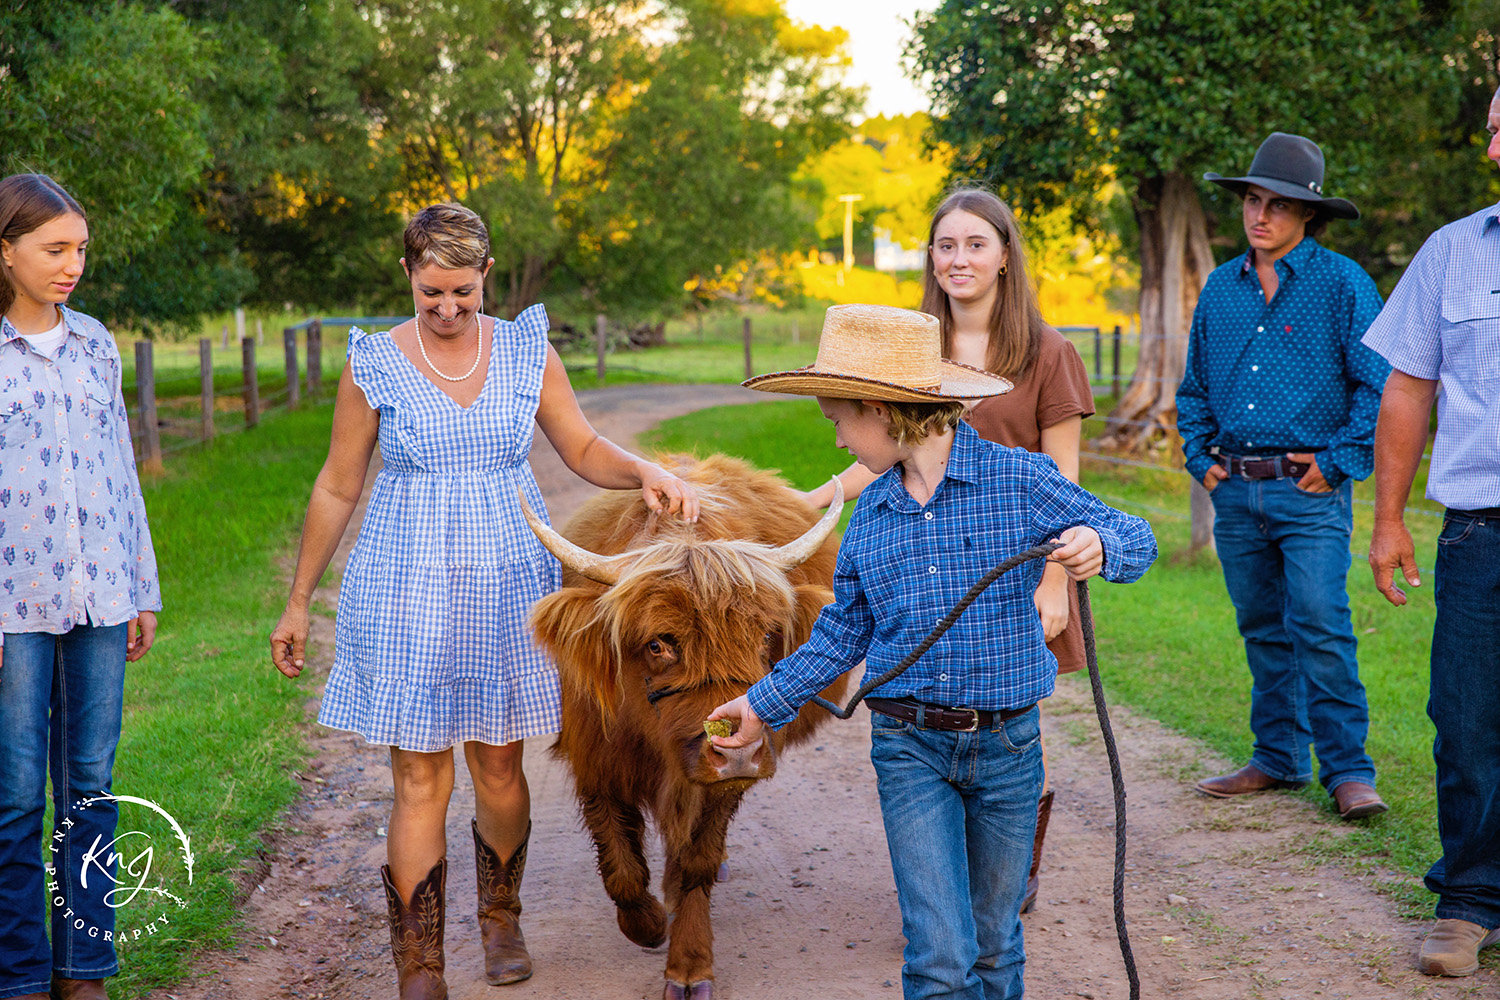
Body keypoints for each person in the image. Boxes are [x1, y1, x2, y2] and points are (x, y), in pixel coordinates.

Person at [268, 203, 698, 998]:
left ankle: (500, 915)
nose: (446, 309)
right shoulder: (373, 363)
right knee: (420, 776)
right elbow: (337, 483)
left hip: (506, 581)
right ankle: (420, 964)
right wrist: (298, 602)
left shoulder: (528, 349)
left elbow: (581, 447)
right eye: (431, 291)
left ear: (486, 275)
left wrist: (644, 470)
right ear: (407, 274)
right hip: (405, 584)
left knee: (500, 764)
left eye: (462, 291)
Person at [709, 303, 1157, 1000]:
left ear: (880, 410)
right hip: (908, 748)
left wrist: (1104, 546)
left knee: (995, 946)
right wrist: (760, 706)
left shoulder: (1022, 482)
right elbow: (840, 635)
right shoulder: (870, 522)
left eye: (837, 421)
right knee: (939, 956)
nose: (835, 443)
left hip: (1008, 749)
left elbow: (1136, 535)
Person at [800, 188, 1096, 913]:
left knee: (1012, 713)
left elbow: (1063, 479)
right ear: (931, 259)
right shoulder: (913, 349)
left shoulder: (1047, 354)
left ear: (1004, 258)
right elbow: (883, 449)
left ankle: (1009, 866)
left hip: (1015, 561)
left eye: (975, 245)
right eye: (945, 246)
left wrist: (1053, 584)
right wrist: (813, 500)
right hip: (929, 554)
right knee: (931, 701)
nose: (958, 259)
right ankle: (942, 875)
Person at [1176, 132, 1391, 820]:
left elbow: (1379, 384)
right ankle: (1277, 758)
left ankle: (1350, 773)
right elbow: (1194, 388)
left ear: (1309, 216)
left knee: (1322, 626)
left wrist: (1337, 465)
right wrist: (1201, 460)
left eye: (1276, 205)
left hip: (1311, 492)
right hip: (1234, 491)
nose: (1258, 215)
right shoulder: (1220, 288)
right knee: (1263, 628)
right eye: (1251, 200)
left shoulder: (1343, 285)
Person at [0, 174, 161, 1000]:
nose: (73, 265)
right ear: (6, 251)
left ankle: (84, 972)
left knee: (91, 789)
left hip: (101, 592)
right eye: (55, 249)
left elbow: (120, 470)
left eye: (81, 250)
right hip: (12, 607)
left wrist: (142, 584)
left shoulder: (97, 342)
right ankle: (21, 978)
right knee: (17, 799)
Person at [1363, 85, 1500, 978]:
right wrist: (1385, 521)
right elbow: (1408, 388)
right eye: (1492, 130)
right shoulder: (1452, 252)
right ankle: (1472, 901)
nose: (1491, 150)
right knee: (1468, 718)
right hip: (1480, 530)